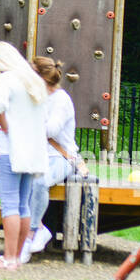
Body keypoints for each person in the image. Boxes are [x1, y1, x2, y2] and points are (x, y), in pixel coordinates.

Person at [0, 40, 48, 269]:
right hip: (33, 148)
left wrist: (7, 127)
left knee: (9, 204)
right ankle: (17, 257)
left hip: (10, 148)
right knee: (24, 205)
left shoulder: (4, 79)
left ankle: (8, 258)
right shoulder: (33, 80)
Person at [24, 57, 87, 256]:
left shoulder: (60, 100)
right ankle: (40, 228)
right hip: (36, 154)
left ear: (41, 78)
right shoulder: (34, 97)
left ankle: (33, 231)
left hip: (59, 157)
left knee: (40, 182)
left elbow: (51, 129)